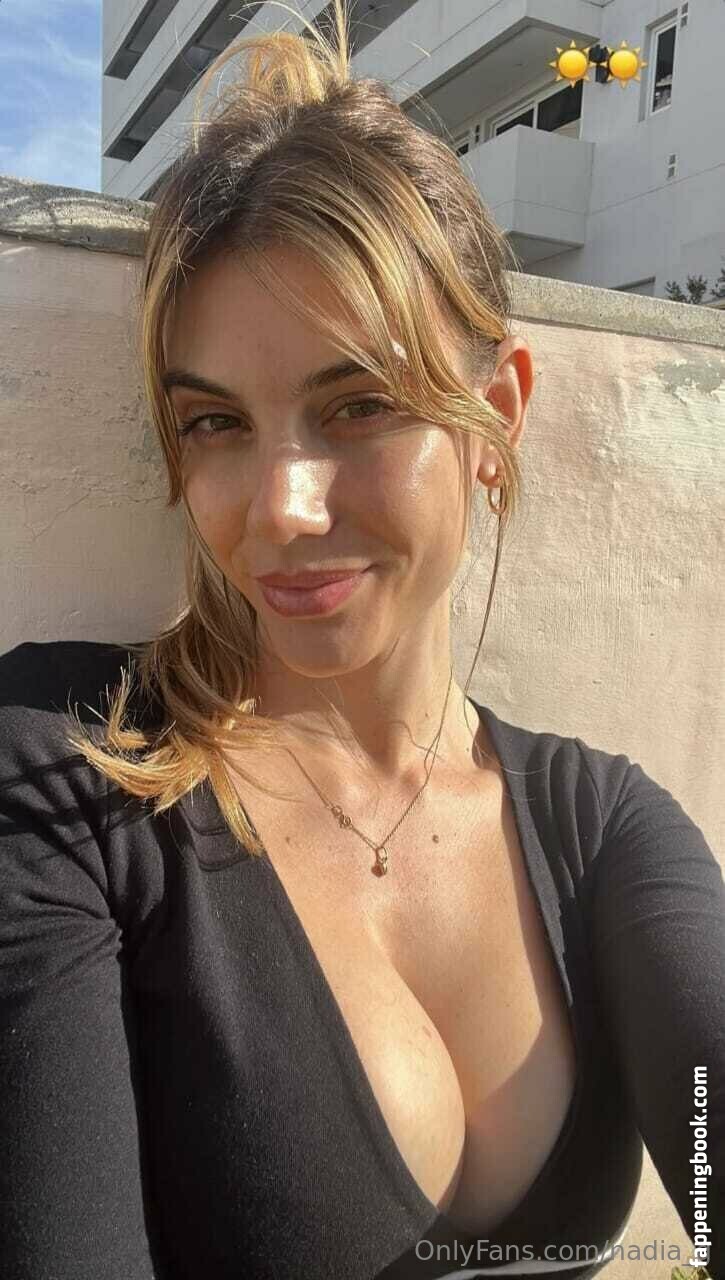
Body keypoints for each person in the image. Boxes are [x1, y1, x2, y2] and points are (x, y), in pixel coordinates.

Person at [0, 3, 723, 1278]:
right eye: (216, 423)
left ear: (495, 415)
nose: (282, 507)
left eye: (358, 403)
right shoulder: (75, 773)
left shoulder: (601, 826)